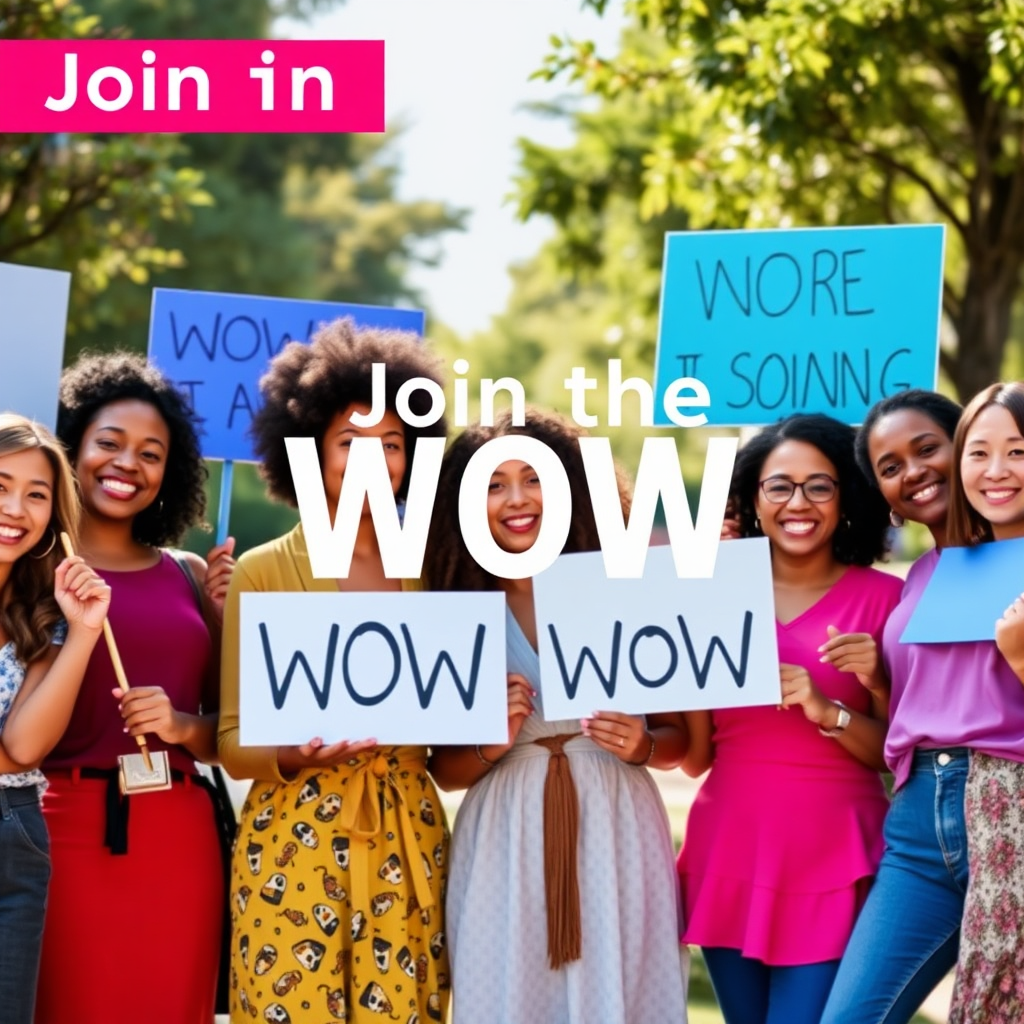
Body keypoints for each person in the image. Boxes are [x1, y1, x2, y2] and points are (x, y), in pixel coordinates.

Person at [218, 318, 451, 1024]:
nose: (375, 461)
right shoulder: (262, 572)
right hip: (294, 841)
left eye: (394, 444)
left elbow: (449, 745)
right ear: (310, 450)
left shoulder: (440, 574)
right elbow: (231, 742)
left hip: (407, 838)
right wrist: (295, 752)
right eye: (351, 443)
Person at [424, 409, 689, 1024]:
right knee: (509, 996)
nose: (516, 499)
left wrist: (643, 744)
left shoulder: (626, 588)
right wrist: (493, 739)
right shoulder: (459, 604)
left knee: (618, 989)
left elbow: (681, 739)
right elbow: (443, 768)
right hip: (504, 834)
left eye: (533, 477)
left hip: (618, 821)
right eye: (493, 484)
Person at [678, 413, 902, 1024]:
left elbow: (894, 756)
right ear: (754, 498)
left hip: (834, 850)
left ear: (845, 496)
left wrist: (826, 709)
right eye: (779, 486)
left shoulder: (886, 601)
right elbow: (697, 755)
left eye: (818, 486)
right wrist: (639, 739)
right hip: (731, 847)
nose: (797, 503)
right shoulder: (709, 592)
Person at [36, 353, 235, 1024]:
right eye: (109, 443)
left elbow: (228, 736)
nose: (128, 464)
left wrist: (182, 724)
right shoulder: (33, 570)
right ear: (71, 449)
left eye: (151, 453)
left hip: (177, 842)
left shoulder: (186, 575)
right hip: (59, 836)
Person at [820, 388, 975, 1024]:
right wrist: (880, 680)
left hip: (999, 805)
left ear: (963, 447)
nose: (912, 472)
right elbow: (916, 708)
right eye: (889, 467)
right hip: (916, 823)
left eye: (926, 448)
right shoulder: (919, 577)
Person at [0, 413, 110, 1024]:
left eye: (36, 495)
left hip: (13, 835)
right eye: (0, 486)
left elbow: (23, 747)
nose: (16, 507)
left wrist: (86, 631)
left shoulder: (46, 620)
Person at [941, 382, 1024, 1024]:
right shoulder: (959, 569)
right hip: (985, 806)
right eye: (979, 451)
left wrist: (1019, 655)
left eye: (1018, 451)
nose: (996, 471)